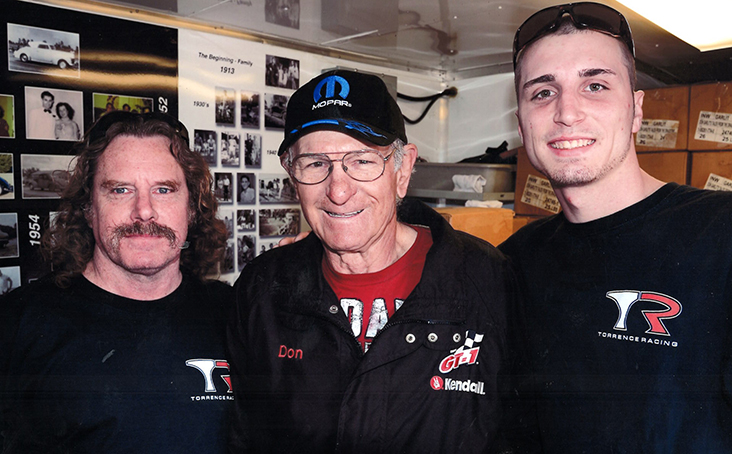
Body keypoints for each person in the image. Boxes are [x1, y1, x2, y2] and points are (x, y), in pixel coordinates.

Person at [227, 69, 528, 452]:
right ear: (292, 177)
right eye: (315, 164)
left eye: (362, 161)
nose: (338, 191)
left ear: (403, 170)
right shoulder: (262, 291)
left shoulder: (488, 279)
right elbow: (244, 439)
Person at [498, 3, 732, 452]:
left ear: (636, 110)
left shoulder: (720, 235)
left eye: (595, 85)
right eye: (543, 92)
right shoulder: (512, 262)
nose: (567, 112)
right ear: (522, 125)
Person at [0, 111, 232, 453]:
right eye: (121, 190)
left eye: (163, 189)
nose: (144, 211)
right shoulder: (17, 324)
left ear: (192, 208)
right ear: (88, 208)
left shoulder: (234, 314)